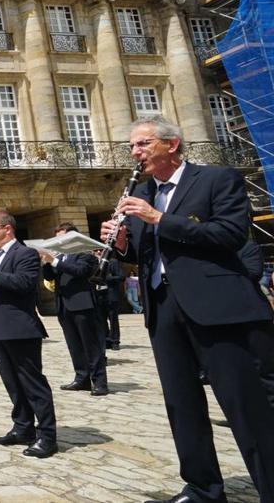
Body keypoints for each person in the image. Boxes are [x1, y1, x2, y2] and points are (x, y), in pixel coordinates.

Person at [102, 116, 274, 501]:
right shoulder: (144, 193)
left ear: (172, 144)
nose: (135, 153)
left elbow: (230, 235)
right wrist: (123, 243)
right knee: (181, 403)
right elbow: (149, 256)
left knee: (244, 404)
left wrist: (159, 218)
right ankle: (202, 487)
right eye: (132, 146)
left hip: (217, 307)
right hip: (164, 308)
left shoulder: (215, 179)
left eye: (143, 144)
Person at [0, 210, 57, 459]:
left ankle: (48, 436)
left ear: (7, 228)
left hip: (20, 328)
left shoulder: (25, 253)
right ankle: (23, 428)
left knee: (32, 383)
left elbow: (25, 284)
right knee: (12, 383)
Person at [40, 223, 108, 396]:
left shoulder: (85, 254)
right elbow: (50, 277)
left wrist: (54, 261)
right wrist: (46, 263)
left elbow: (81, 271)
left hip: (82, 304)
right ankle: (81, 378)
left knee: (91, 344)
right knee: (74, 345)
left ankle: (99, 381)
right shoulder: (60, 257)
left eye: (61, 237)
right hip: (64, 304)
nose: (58, 241)